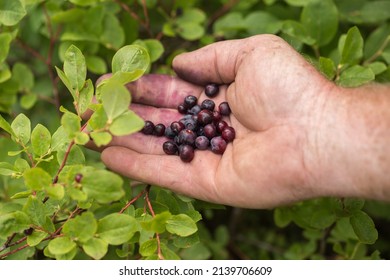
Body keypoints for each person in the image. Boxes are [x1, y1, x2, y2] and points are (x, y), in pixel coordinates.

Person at [98, 34, 390, 209]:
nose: (194, 130)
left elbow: (203, 129)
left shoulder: (210, 122)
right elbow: (195, 129)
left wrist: (316, 116)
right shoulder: (199, 125)